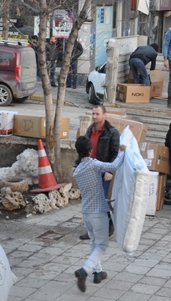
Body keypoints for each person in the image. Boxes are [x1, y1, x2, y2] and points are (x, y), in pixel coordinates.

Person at [73, 136, 126, 292]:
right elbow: (114, 165)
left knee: (94, 241)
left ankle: (98, 272)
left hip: (86, 212)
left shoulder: (78, 171)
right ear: (91, 150)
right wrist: (122, 152)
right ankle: (85, 270)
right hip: (98, 211)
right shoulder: (94, 165)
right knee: (102, 244)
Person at [79, 106, 120, 241]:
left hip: (103, 170)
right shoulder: (90, 130)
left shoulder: (112, 133)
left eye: (97, 114)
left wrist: (110, 171)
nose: (94, 116)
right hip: (91, 170)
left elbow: (115, 153)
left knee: (102, 201)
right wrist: (76, 164)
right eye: (93, 114)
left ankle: (108, 226)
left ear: (104, 115)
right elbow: (83, 149)